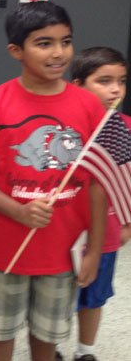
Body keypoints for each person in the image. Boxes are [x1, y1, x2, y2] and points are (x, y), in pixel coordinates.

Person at [0, 1, 107, 361]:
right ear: (16, 51)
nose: (59, 53)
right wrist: (17, 210)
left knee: (47, 341)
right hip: (3, 253)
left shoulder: (89, 108)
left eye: (66, 41)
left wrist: (96, 250)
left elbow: (98, 183)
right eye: (44, 43)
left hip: (62, 253)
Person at [65, 46, 131, 361]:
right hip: (62, 231)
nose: (116, 89)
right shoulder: (64, 128)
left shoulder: (125, 129)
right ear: (77, 85)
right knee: (55, 298)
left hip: (105, 233)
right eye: (104, 81)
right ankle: (48, 348)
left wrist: (129, 223)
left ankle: (85, 351)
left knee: (93, 297)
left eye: (121, 81)